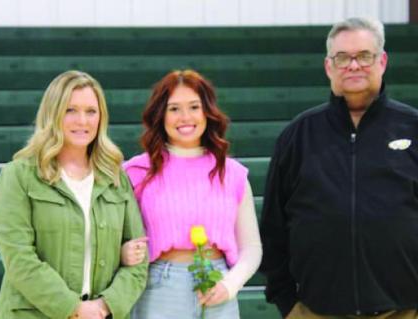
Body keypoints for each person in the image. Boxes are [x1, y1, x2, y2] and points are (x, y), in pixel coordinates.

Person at [260, 17, 418, 319]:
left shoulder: (413, 127)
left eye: (364, 56)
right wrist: (287, 302)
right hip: (315, 311)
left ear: (382, 61)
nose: (353, 65)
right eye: (343, 57)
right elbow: (273, 229)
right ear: (328, 66)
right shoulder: (298, 135)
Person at [0, 70, 148, 319]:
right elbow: (19, 260)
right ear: (53, 114)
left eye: (91, 111)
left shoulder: (115, 178)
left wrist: (103, 307)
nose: (82, 121)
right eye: (70, 110)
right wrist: (74, 309)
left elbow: (139, 261)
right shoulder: (18, 176)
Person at [120, 69, 262, 319]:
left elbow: (251, 247)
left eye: (194, 107)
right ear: (161, 115)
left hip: (218, 284)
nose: (185, 117)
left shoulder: (232, 173)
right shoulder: (137, 171)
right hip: (160, 287)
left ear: (207, 112)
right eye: (174, 108)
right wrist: (123, 253)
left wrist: (230, 285)